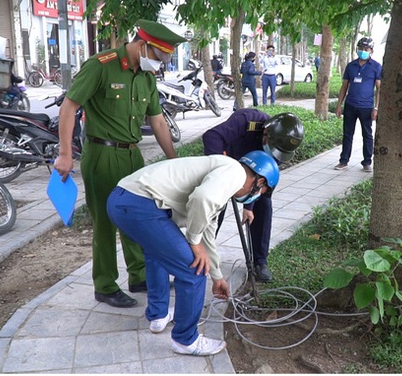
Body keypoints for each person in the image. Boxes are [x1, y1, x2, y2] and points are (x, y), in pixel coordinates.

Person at [54, 19, 187, 308]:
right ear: (142, 46)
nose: (161, 64)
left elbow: (158, 121)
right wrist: (65, 153)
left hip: (132, 156)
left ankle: (138, 276)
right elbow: (69, 107)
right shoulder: (101, 65)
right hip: (102, 154)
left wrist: (174, 161)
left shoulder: (147, 78)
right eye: (159, 57)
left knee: (137, 215)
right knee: (104, 221)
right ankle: (104, 284)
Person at [107, 151, 280, 356]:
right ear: (259, 181)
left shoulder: (221, 182)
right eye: (262, 191)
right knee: (194, 269)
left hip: (121, 199)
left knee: (157, 254)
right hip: (140, 204)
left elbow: (208, 234)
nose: (256, 197)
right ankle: (185, 340)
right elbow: (202, 198)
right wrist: (193, 242)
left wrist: (217, 277)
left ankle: (158, 315)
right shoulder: (235, 173)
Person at [202, 110, 304, 282]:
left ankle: (259, 262)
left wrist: (249, 207)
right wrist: (221, 172)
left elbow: (265, 180)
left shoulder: (279, 148)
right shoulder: (246, 120)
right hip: (228, 165)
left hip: (255, 175)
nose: (274, 153)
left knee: (263, 205)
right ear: (266, 133)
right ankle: (201, 257)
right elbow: (211, 137)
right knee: (214, 211)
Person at [334, 37, 382, 173]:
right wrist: (339, 105)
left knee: (367, 135)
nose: (363, 51)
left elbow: (379, 89)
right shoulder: (351, 66)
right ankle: (343, 161)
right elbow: (344, 87)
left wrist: (376, 108)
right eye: (361, 48)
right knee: (347, 134)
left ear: (371, 50)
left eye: (366, 49)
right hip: (350, 105)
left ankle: (367, 162)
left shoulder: (376, 67)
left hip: (366, 107)